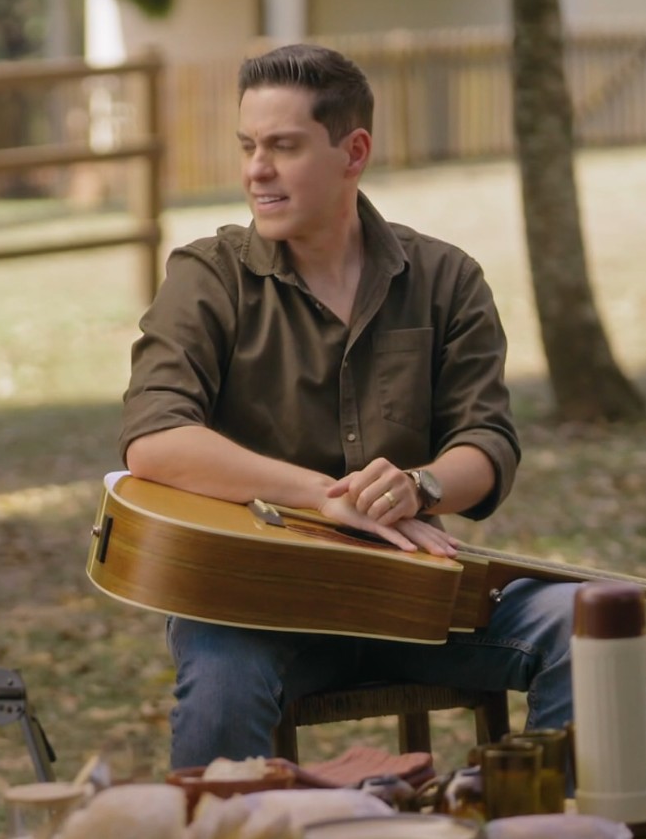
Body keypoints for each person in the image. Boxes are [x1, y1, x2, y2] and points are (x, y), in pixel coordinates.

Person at [119, 44, 577, 770]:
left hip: (412, 596)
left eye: (283, 146)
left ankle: (551, 818)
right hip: (254, 607)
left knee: (584, 620)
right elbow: (154, 438)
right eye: (248, 146)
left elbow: (486, 442)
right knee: (220, 689)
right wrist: (327, 497)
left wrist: (421, 486)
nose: (255, 170)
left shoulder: (446, 278)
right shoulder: (207, 277)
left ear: (352, 151)